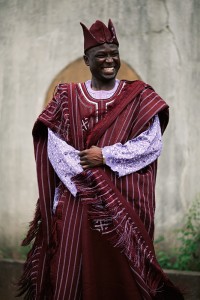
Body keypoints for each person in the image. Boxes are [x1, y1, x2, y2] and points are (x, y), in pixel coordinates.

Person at [18, 20, 184, 299]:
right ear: (87, 60)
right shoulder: (66, 96)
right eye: (101, 55)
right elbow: (55, 145)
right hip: (77, 199)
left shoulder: (140, 96)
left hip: (125, 200)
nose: (109, 60)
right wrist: (91, 183)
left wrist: (104, 155)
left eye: (114, 53)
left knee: (123, 270)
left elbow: (151, 144)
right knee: (72, 266)